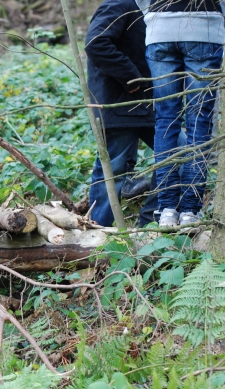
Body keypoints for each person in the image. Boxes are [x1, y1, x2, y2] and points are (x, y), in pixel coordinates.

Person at [135, 0, 225, 227]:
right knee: (199, 121)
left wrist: (153, 14)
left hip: (160, 29)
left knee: (165, 120)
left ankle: (166, 209)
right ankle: (189, 210)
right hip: (204, 27)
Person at [85, 0, 158, 227]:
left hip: (145, 104)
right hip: (118, 104)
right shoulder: (119, 4)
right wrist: (130, 76)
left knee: (180, 153)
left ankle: (148, 223)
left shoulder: (151, 8)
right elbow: (96, 43)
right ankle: (98, 235)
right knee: (113, 171)